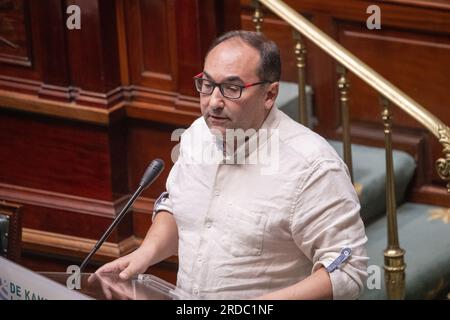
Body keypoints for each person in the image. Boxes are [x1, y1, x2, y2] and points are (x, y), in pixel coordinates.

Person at [96, 30, 368, 300]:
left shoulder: (313, 167)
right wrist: (145, 254)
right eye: (207, 84)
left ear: (269, 94)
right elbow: (178, 209)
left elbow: (348, 270)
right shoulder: (196, 135)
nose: (214, 102)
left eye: (231, 88)